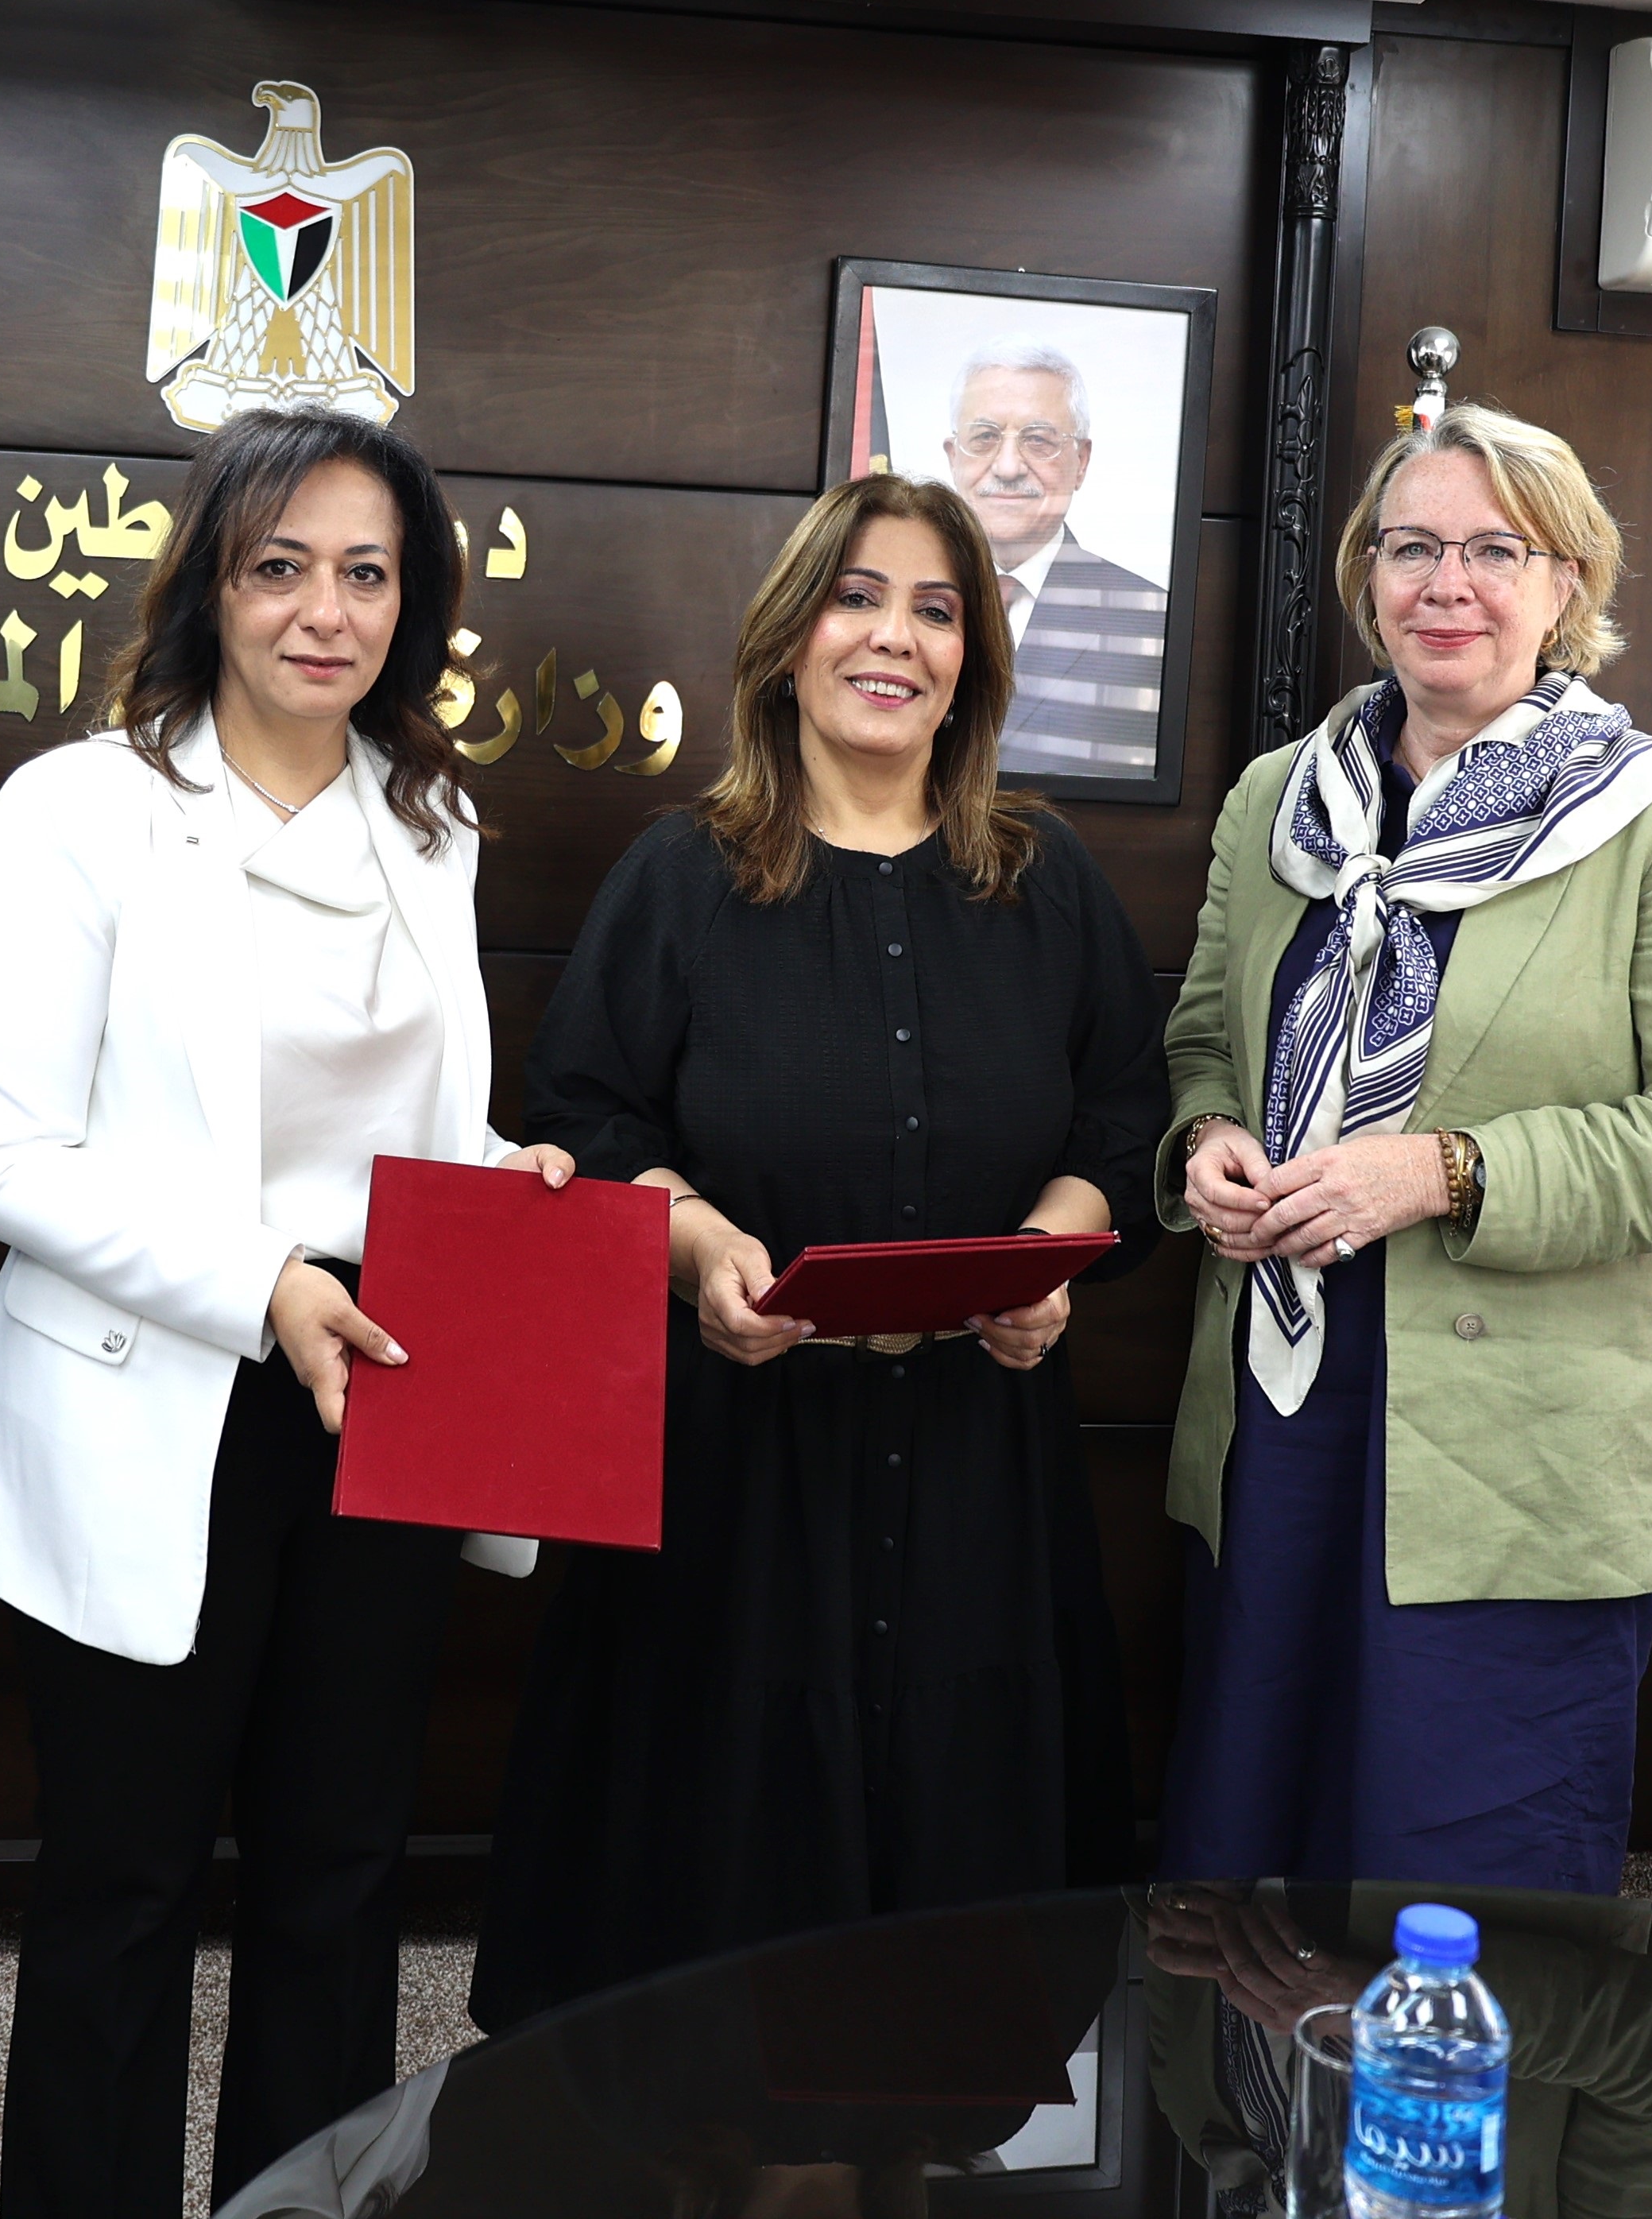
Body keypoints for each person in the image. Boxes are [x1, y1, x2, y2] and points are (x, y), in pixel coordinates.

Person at [0, 405, 581, 2219]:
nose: (324, 610)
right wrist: (259, 1286)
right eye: (279, 565)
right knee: (123, 1882)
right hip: (163, 1382)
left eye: (365, 573)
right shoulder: (85, 806)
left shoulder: (431, 821)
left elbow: (414, 1126)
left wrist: (508, 1174)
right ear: (211, 582)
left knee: (338, 1876)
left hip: (386, 1385)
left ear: (414, 600)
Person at [472, 471, 1167, 2033]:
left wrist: (1047, 1258)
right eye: (857, 598)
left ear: (972, 660)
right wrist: (699, 1246)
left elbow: (1125, 1123)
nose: (893, 638)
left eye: (936, 610)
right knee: (713, 1945)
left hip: (981, 1469)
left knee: (961, 1958)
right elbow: (584, 1119)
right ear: (790, 639)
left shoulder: (1045, 879)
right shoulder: (681, 876)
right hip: (734, 1474)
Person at [1152, 401, 1652, 1894]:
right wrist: (1207, 1138)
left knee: (1464, 1881)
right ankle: (1253, 2071)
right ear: (1366, 577)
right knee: (1251, 1848)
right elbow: (1202, 1037)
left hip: (1518, 1456)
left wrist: (1444, 1171)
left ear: (1569, 583)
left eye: (1497, 550)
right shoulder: (1277, 803)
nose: (1449, 584)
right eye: (1412, 547)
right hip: (1285, 1414)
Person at [947, 342, 1171, 781]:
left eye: (1038, 440)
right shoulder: (900, 608)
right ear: (953, 457)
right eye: (985, 437)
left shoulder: (1152, 622)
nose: (1007, 467)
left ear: (1081, 462)